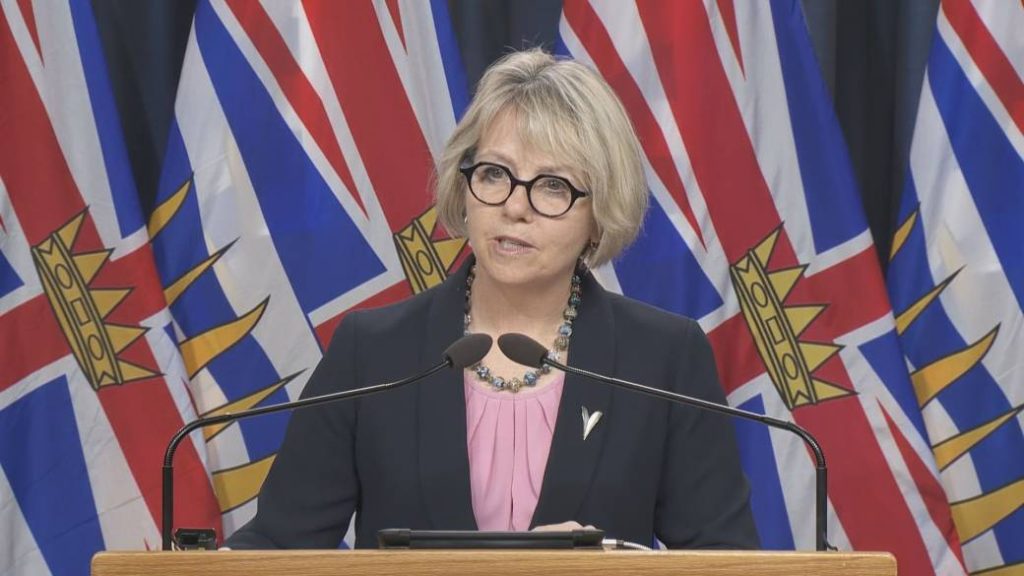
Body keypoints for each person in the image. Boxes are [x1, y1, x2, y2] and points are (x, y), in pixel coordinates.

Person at [226, 48, 759, 550]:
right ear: (465, 187)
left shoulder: (662, 359)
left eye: (553, 185)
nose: (514, 207)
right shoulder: (373, 352)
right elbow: (276, 548)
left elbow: (726, 560)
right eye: (495, 174)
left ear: (599, 214)